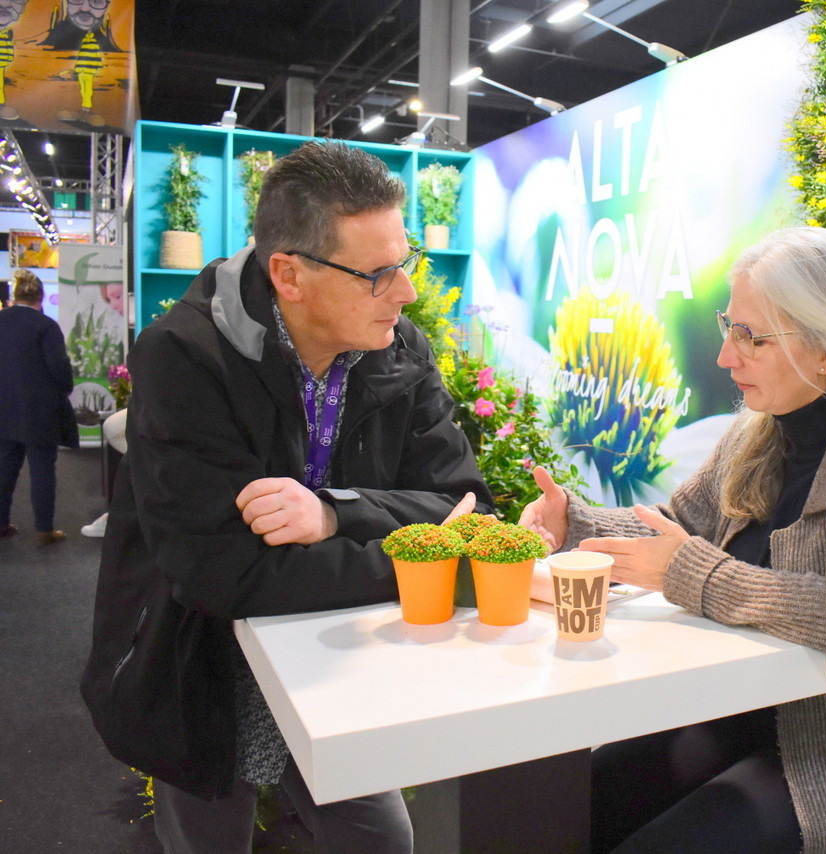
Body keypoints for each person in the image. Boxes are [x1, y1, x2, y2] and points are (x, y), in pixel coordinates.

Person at [81, 141, 493, 854]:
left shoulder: (398, 348)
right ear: (289, 275)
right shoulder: (184, 356)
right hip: (198, 661)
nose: (405, 291)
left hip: (337, 656)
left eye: (407, 262)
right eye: (379, 274)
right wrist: (423, 562)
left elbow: (466, 507)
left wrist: (336, 512)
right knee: (210, 834)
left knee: (380, 839)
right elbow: (219, 574)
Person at [520, 226, 826, 854]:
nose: (725, 357)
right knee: (565, 814)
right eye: (728, 327)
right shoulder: (758, 430)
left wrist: (695, 575)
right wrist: (572, 523)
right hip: (732, 712)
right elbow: (679, 528)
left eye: (752, 337)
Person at [0, 269, 76, 545]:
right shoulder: (46, 326)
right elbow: (59, 367)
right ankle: (44, 530)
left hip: (4, 407)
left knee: (4, 469)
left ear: (15, 295)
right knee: (42, 470)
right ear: (40, 298)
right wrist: (65, 389)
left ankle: (1, 524)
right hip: (40, 411)